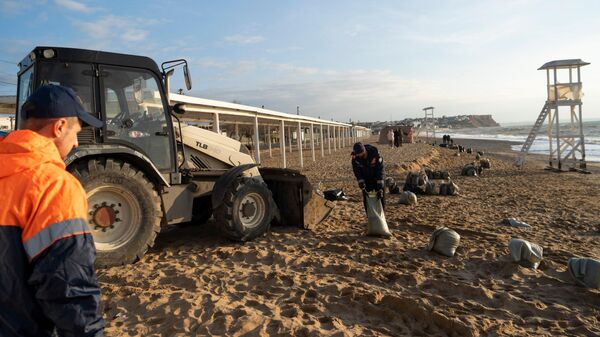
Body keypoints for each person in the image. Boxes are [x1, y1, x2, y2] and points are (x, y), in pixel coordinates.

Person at [0, 84, 105, 337]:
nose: (76, 142)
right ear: (59, 127)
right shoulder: (53, 186)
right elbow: (69, 288)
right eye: (76, 132)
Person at [351, 142, 385, 211]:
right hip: (366, 179)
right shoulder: (355, 158)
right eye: (357, 154)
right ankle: (370, 217)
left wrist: (380, 187)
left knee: (381, 198)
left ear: (364, 151)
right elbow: (357, 171)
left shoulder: (375, 155)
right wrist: (361, 183)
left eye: (359, 154)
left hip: (377, 178)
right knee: (367, 200)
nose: (358, 155)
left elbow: (380, 170)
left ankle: (381, 215)